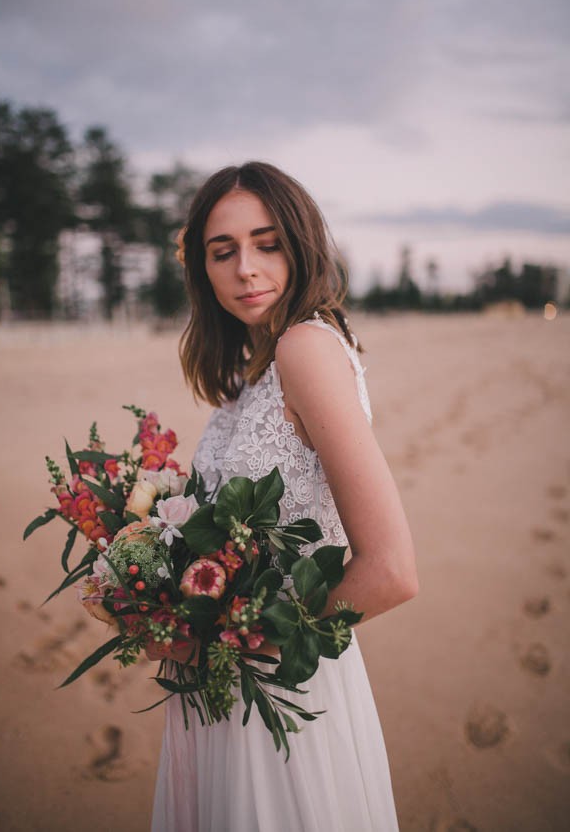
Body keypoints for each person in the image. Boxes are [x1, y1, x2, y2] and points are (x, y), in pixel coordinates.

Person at [150, 161, 418, 832]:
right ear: (202, 270)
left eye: (267, 243)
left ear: (301, 245)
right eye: (223, 251)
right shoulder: (254, 370)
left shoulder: (304, 348)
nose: (246, 267)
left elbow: (391, 572)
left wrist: (225, 642)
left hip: (276, 687)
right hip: (234, 688)